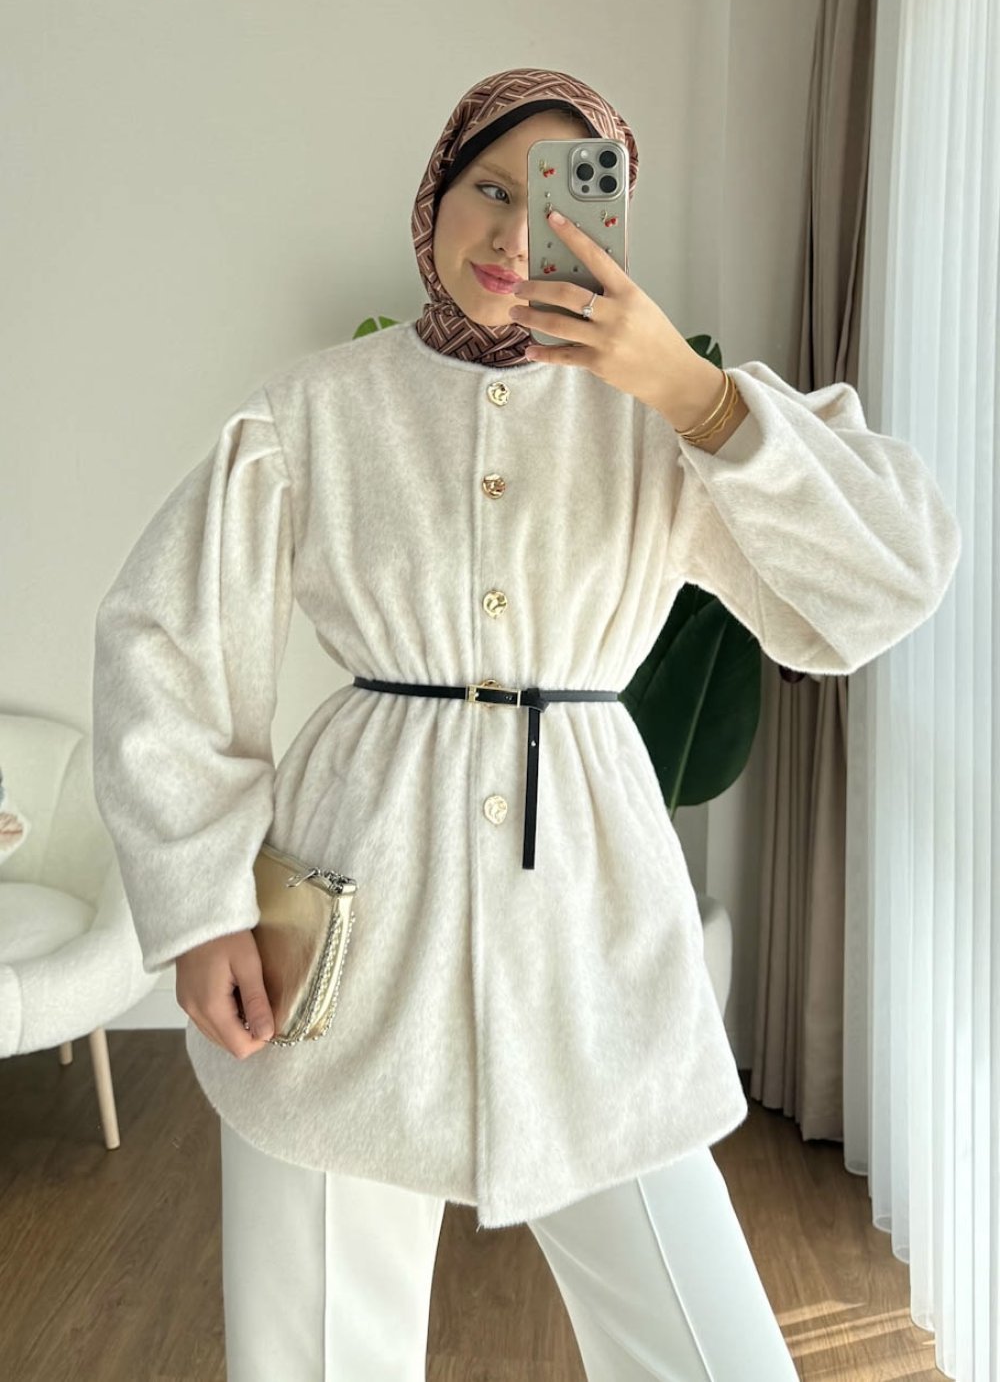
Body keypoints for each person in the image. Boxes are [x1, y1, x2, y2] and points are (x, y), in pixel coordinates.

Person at [91, 67, 961, 1380]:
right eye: (490, 188)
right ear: (434, 193)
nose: (513, 234)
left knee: (712, 1352)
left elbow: (884, 584)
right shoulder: (317, 408)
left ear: (607, 226)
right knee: (317, 1351)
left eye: (559, 202)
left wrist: (699, 396)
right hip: (345, 937)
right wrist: (201, 905)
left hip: (592, 938)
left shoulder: (668, 416)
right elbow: (164, 640)